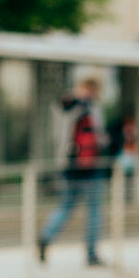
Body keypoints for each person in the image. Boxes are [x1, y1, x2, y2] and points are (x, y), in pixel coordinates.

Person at [38, 77, 109, 266]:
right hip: (87, 167)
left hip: (68, 165)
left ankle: (46, 235)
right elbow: (99, 136)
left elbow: (55, 135)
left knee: (66, 206)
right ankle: (91, 253)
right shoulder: (81, 105)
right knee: (93, 211)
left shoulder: (62, 106)